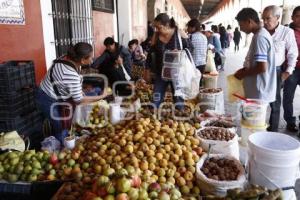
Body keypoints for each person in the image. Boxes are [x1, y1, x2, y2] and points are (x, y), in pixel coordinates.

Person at [36, 42, 107, 143]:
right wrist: (101, 96)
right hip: (47, 98)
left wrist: (80, 89)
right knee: (61, 128)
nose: (92, 60)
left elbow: (67, 83)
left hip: (52, 91)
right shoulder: (70, 73)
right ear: (82, 60)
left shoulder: (66, 58)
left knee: (94, 92)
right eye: (91, 58)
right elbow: (79, 100)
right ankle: (62, 148)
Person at [262, 5, 298, 132]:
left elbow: (293, 53)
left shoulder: (286, 32)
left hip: (276, 71)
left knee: (275, 102)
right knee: (259, 101)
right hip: (259, 70)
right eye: (263, 19)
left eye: (268, 18)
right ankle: (257, 127)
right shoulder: (261, 32)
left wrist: (288, 71)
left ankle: (273, 130)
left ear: (277, 17)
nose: (265, 22)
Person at [145, 13, 189, 108]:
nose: (157, 30)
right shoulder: (156, 36)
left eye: (159, 27)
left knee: (178, 99)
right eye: (155, 27)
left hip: (177, 73)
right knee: (156, 97)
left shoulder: (178, 33)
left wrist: (180, 52)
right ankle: (154, 117)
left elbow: (190, 49)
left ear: (167, 25)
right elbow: (150, 54)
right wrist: (147, 70)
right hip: (160, 73)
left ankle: (179, 115)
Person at [234, 8, 276, 104]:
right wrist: (244, 70)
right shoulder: (260, 34)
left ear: (249, 21)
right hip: (258, 90)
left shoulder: (260, 37)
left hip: (259, 91)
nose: (240, 29)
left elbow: (262, 68)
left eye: (241, 25)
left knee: (254, 118)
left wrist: (243, 74)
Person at [283, 6, 300, 134]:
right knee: (288, 97)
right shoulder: (287, 32)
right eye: (297, 16)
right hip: (291, 69)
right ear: (292, 17)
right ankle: (290, 122)